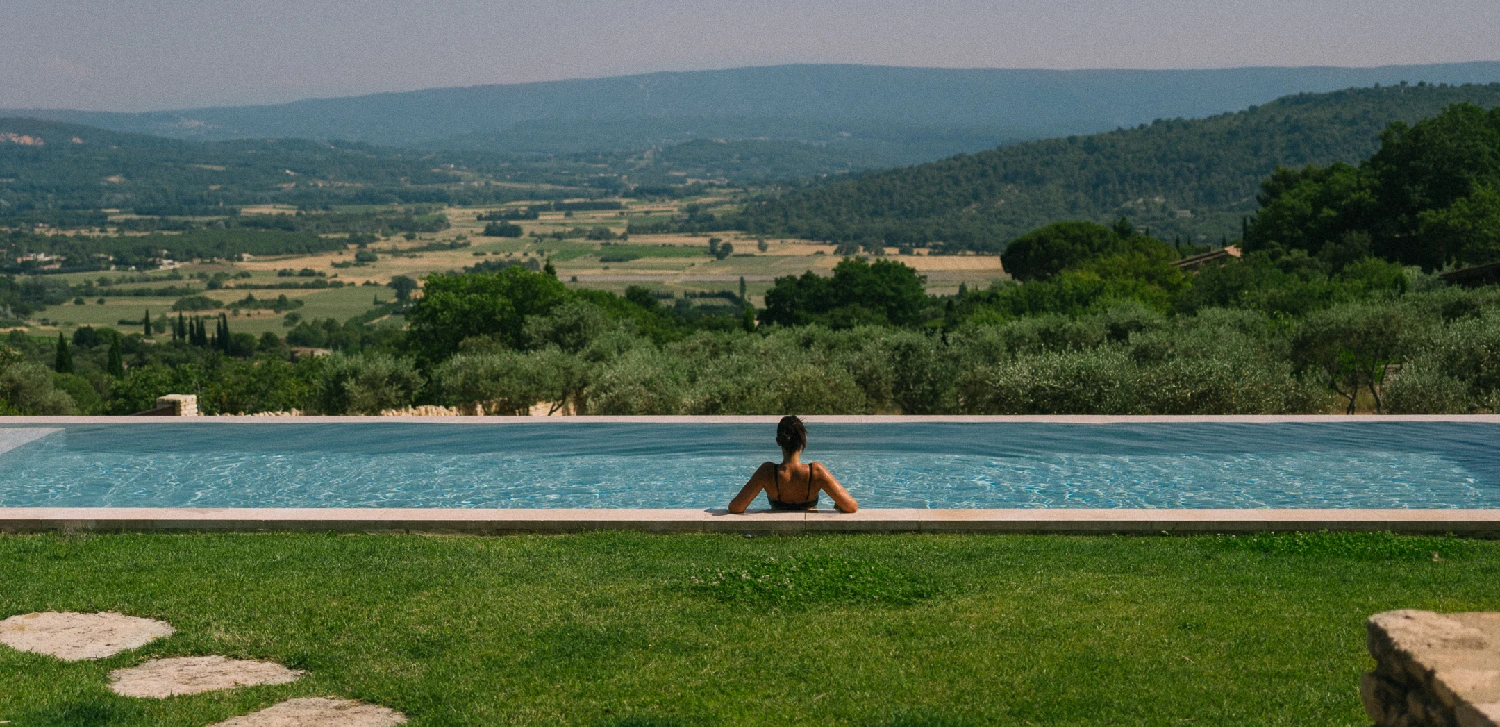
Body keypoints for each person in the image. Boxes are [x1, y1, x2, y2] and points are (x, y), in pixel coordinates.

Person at [728, 415, 858, 513]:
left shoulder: (767, 472)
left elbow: (736, 507)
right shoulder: (816, 471)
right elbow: (851, 507)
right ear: (804, 441)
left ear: (778, 441)